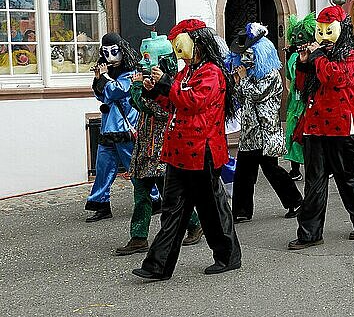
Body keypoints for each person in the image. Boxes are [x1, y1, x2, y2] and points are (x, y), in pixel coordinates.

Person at [133, 19, 241, 279]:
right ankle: (158, 266)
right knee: (172, 210)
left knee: (212, 209)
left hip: (201, 151)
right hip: (179, 151)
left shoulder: (212, 72)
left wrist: (166, 84)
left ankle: (228, 256)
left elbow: (193, 101)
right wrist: (154, 91)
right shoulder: (188, 72)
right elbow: (174, 103)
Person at [288, 5, 354, 250]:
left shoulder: (349, 53)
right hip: (315, 126)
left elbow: (336, 78)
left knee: (348, 179)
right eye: (321, 31)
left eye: (329, 31)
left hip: (341, 127)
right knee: (314, 181)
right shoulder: (320, 56)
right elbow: (302, 87)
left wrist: (317, 58)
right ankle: (310, 233)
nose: (324, 37)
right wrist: (305, 64)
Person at [115, 33, 203, 256]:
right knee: (141, 194)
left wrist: (136, 89)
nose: (144, 65)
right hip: (145, 146)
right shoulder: (151, 82)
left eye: (149, 60)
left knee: (169, 195)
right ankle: (138, 237)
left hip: (162, 149)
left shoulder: (172, 85)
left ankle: (194, 224)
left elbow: (152, 107)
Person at [229, 23, 303, 223]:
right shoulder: (250, 75)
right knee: (244, 173)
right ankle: (241, 211)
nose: (246, 60)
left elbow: (256, 95)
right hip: (250, 134)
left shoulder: (271, 75)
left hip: (265, 132)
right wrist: (237, 82)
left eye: (250, 55)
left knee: (272, 170)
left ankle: (295, 201)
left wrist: (243, 81)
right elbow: (242, 98)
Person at [84, 33, 156, 222]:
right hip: (108, 128)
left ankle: (154, 199)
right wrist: (99, 79)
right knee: (102, 169)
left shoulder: (132, 72)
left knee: (136, 168)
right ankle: (101, 204)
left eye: (114, 52)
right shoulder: (111, 73)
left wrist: (104, 78)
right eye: (106, 53)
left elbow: (118, 91)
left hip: (125, 128)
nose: (110, 57)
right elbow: (103, 96)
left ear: (122, 51)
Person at [284, 13, 316, 182]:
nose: (297, 40)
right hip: (295, 103)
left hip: (308, 102)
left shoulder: (315, 55)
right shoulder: (294, 57)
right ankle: (295, 169)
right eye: (295, 37)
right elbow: (289, 80)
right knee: (292, 133)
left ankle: (316, 167)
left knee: (306, 136)